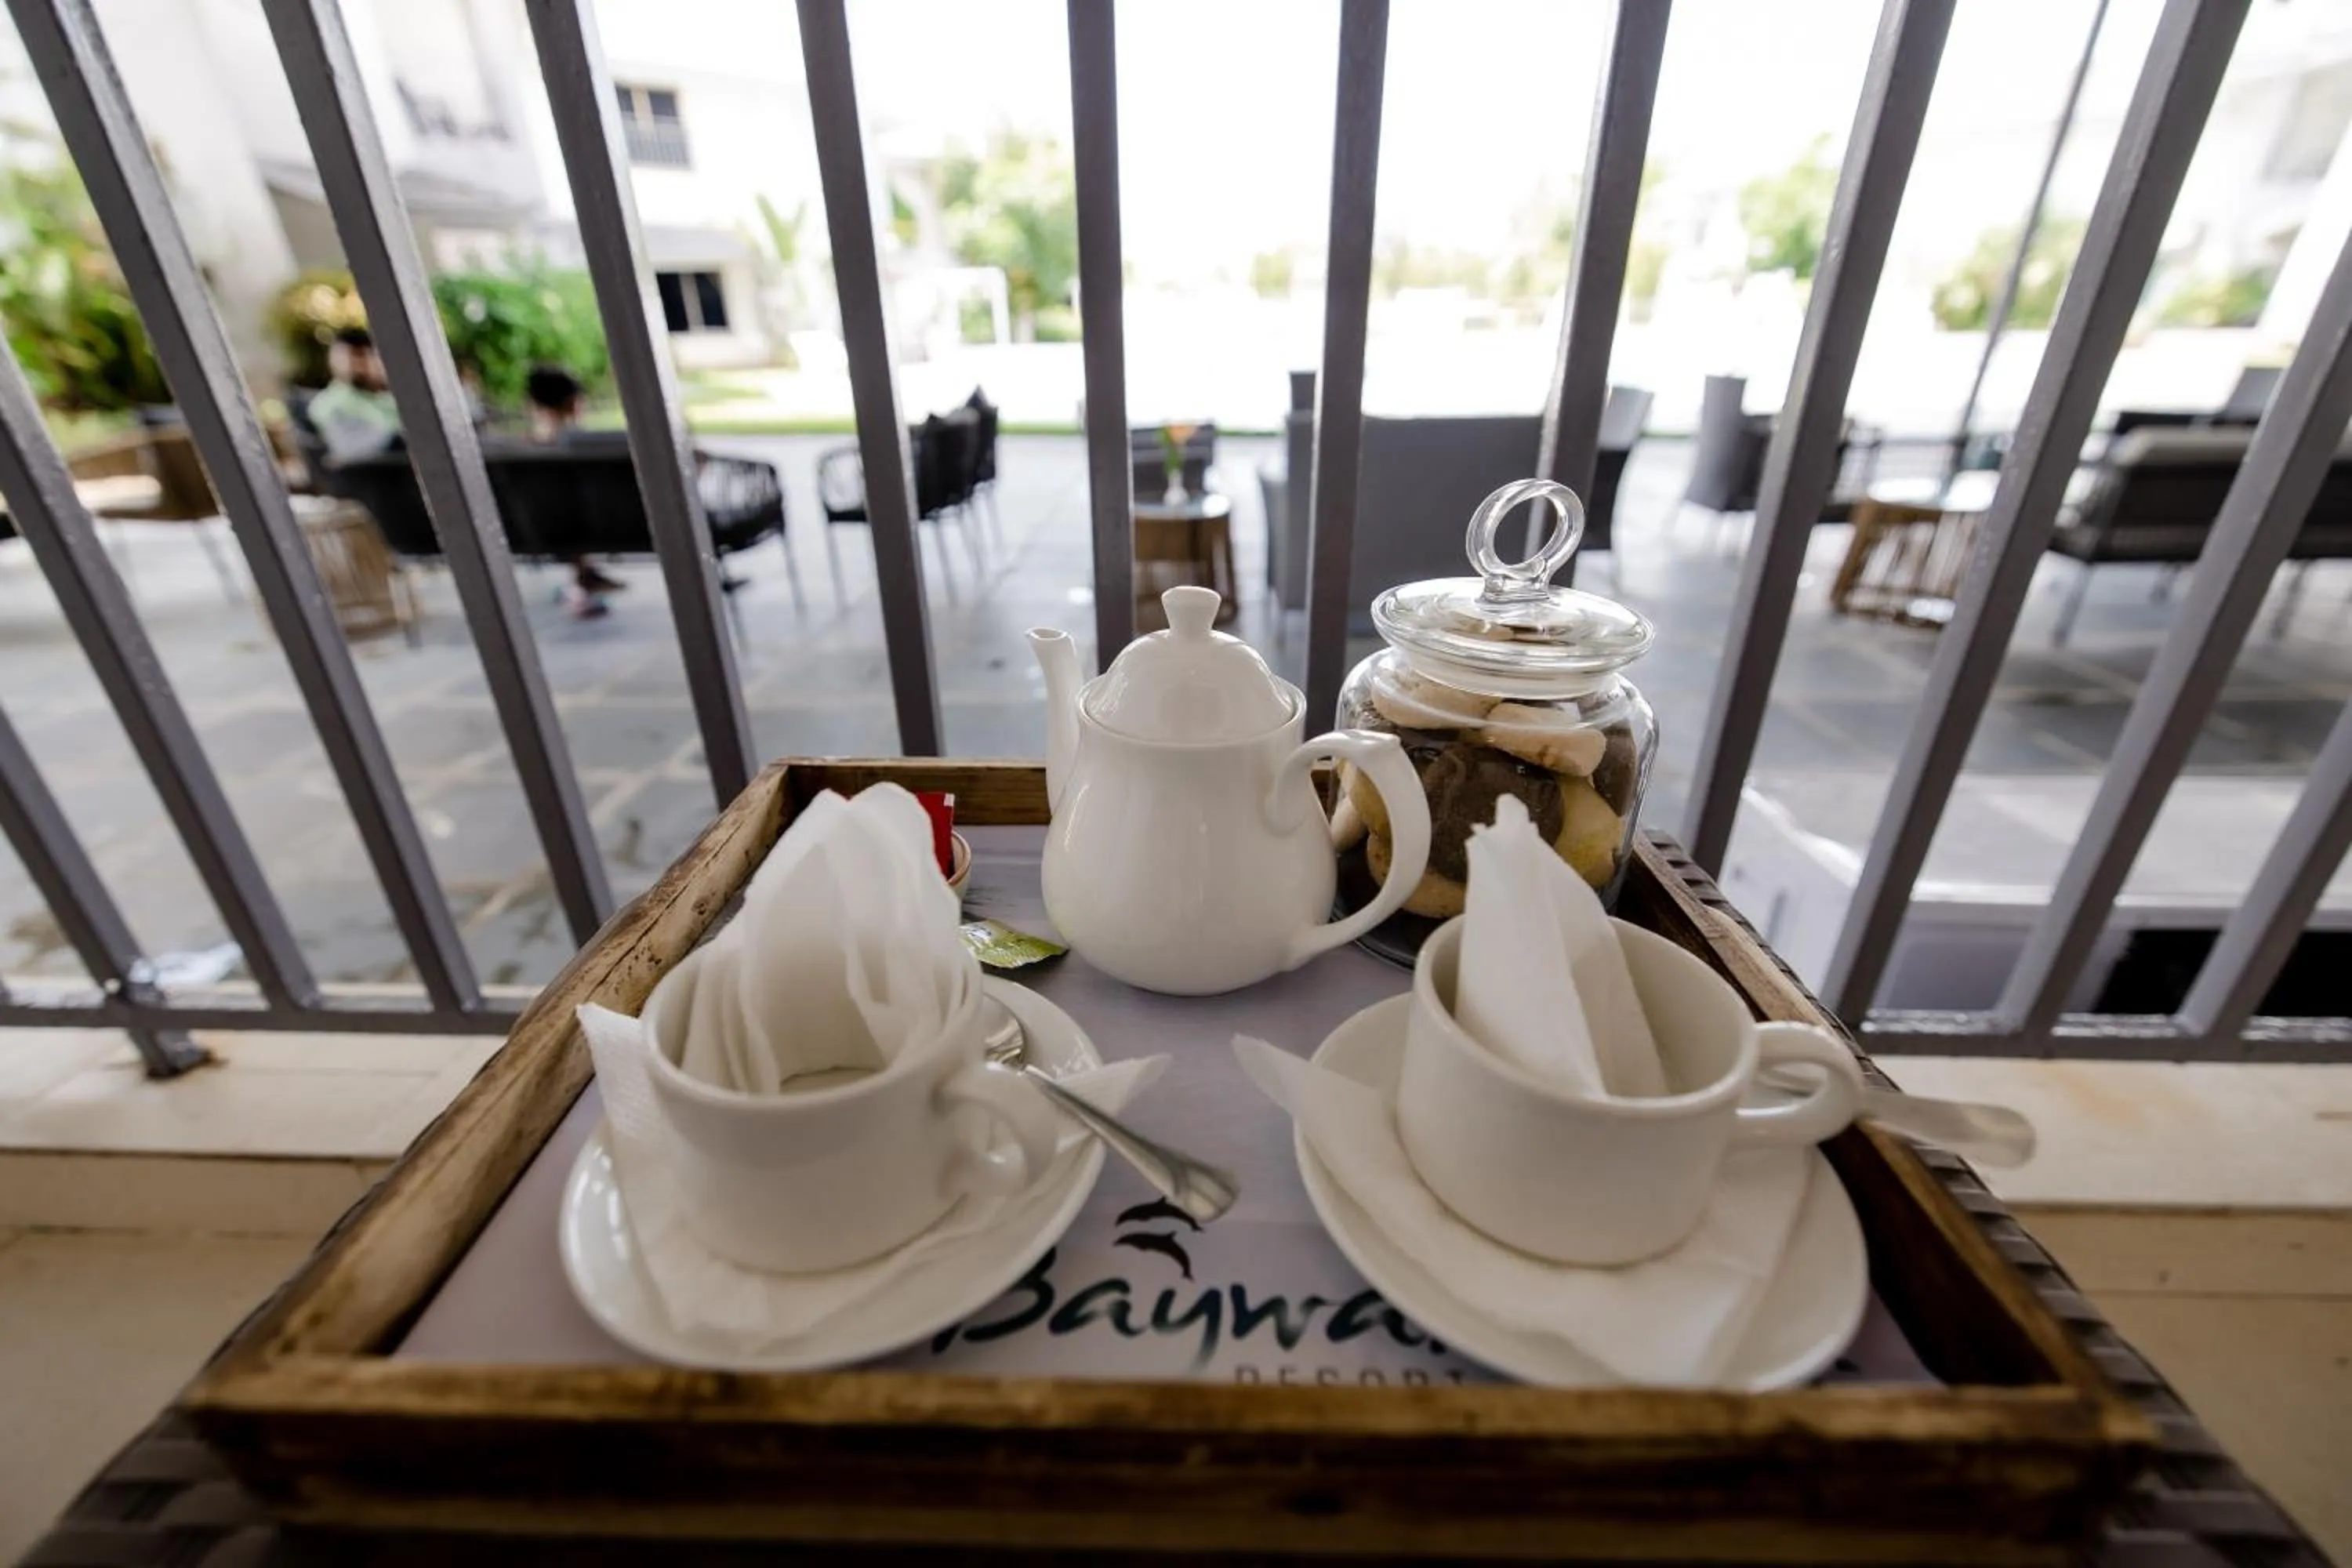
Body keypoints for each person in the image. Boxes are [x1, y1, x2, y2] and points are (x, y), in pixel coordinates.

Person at [523, 364, 627, 608]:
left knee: (557, 506)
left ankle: (585, 574)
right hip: (600, 528)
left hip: (536, 530)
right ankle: (586, 575)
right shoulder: (586, 445)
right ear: (574, 402)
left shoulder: (522, 449)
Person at [308, 327, 402, 462]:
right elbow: (350, 448)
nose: (352, 364)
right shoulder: (331, 405)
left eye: (360, 356)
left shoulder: (380, 394)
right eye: (349, 357)